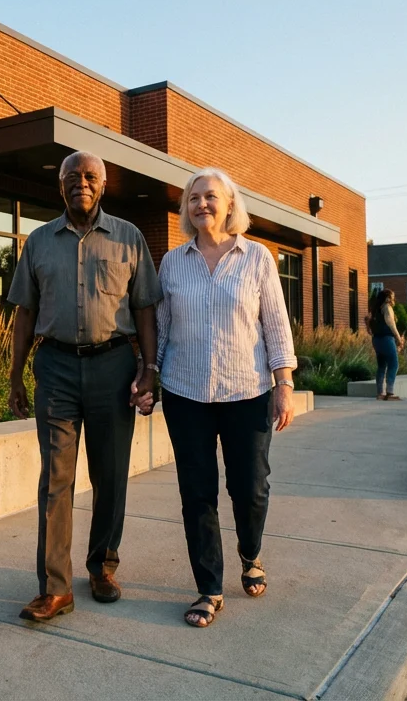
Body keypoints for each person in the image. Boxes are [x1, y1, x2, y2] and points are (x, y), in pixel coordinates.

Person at [6, 150, 162, 622]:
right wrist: (15, 374)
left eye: (90, 175)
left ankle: (102, 567)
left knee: (111, 475)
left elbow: (145, 310)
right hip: (54, 368)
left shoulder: (130, 238)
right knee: (55, 480)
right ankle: (55, 587)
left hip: (113, 367)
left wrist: (149, 369)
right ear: (60, 186)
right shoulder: (37, 242)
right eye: (72, 176)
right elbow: (25, 314)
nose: (81, 182)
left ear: (103, 184)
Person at [145, 167, 297, 628]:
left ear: (230, 205)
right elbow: (162, 325)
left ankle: (250, 554)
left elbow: (275, 322)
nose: (201, 205)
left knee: (249, 487)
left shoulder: (257, 259)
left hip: (247, 391)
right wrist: (150, 373)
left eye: (211, 196)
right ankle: (208, 587)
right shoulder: (172, 261)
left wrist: (284, 383)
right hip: (185, 392)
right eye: (194, 198)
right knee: (197, 493)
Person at [368, 288, 405, 401]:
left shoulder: (375, 309)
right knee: (394, 364)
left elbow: (369, 325)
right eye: (392, 297)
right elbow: (391, 323)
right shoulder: (387, 307)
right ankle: (390, 392)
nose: (393, 299)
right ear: (387, 298)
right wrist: (398, 338)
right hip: (386, 339)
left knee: (381, 366)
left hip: (376, 340)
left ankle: (380, 393)